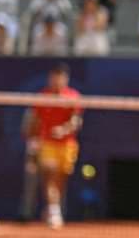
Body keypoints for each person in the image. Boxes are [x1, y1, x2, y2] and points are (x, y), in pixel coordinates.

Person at [25, 64, 83, 229]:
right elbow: (34, 121)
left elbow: (76, 120)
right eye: (54, 77)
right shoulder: (42, 96)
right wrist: (33, 141)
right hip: (47, 143)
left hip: (67, 145)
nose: (57, 80)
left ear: (66, 79)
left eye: (60, 77)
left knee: (60, 180)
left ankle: (52, 208)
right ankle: (55, 211)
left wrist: (64, 130)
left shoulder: (73, 96)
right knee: (49, 176)